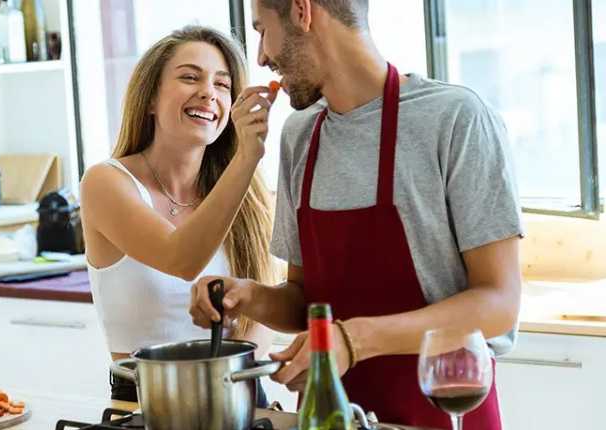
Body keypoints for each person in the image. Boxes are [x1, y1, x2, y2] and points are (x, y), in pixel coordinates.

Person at [188, 1, 523, 428]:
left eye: (261, 30)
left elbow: (499, 302)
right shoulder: (300, 136)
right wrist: (249, 296)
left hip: (444, 411)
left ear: (302, 12)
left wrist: (353, 340)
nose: (261, 57)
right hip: (331, 417)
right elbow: (304, 300)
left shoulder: (456, 119)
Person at [80, 25, 280, 405]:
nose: (208, 92)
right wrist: (247, 157)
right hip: (146, 406)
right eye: (190, 77)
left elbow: (262, 316)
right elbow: (181, 258)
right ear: (151, 98)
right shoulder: (105, 183)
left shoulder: (250, 199)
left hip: (238, 399)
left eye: (223, 85)